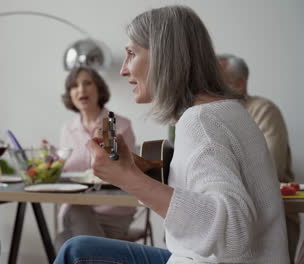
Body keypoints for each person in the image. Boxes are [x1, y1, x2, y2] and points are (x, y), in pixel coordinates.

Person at [54, 5, 290, 264]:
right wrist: (142, 168)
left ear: (163, 57)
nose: (123, 70)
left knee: (74, 254)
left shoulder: (201, 122)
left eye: (132, 53)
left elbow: (233, 233)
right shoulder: (229, 111)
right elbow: (207, 184)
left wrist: (130, 179)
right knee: (77, 250)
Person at [218, 53, 299, 262]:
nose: (210, 87)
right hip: (231, 219)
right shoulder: (211, 115)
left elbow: (271, 168)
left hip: (271, 218)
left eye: (218, 81)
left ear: (240, 85)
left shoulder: (263, 110)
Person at [54, 66, 136, 250]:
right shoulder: (67, 129)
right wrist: (52, 160)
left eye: (87, 83)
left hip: (113, 212)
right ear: (70, 94)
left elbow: (127, 172)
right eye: (74, 86)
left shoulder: (120, 125)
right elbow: (65, 172)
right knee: (76, 212)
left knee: (63, 243)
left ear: (98, 88)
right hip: (76, 209)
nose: (81, 89)